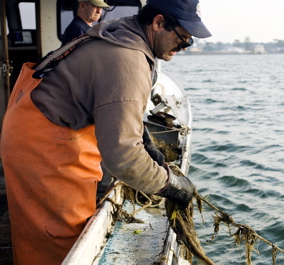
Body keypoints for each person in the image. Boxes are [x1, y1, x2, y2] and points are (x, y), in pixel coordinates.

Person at [0, 0, 211, 264]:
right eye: (183, 38)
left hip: (31, 117)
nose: (183, 47)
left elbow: (115, 104)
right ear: (158, 23)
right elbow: (123, 158)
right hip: (40, 139)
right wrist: (172, 186)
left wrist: (146, 142)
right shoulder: (127, 60)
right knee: (60, 237)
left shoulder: (122, 31)